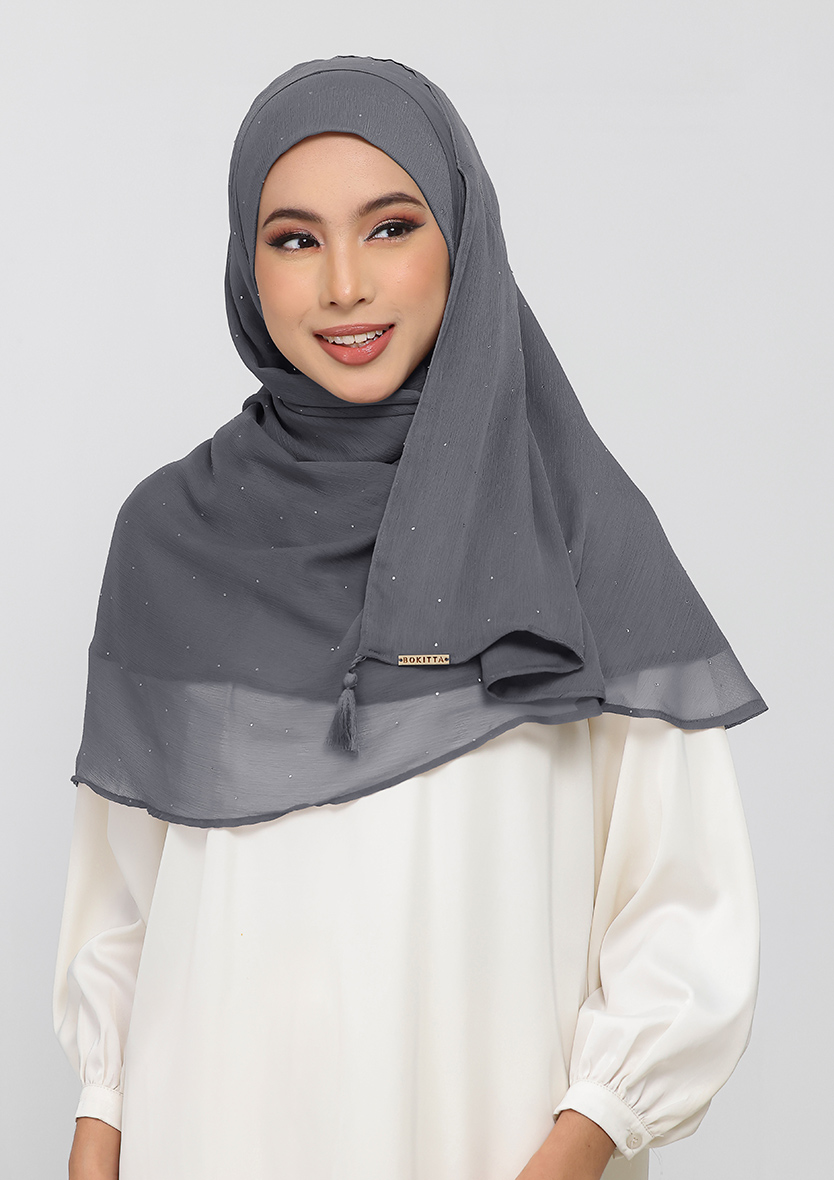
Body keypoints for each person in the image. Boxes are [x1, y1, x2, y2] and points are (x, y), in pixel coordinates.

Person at [54, 57, 764, 1180]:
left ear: (462, 240)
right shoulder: (169, 537)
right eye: (295, 239)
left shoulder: (574, 532)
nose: (345, 285)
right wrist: (96, 1128)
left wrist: (576, 1148)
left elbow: (681, 907)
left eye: (390, 228)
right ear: (247, 262)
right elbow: (121, 909)